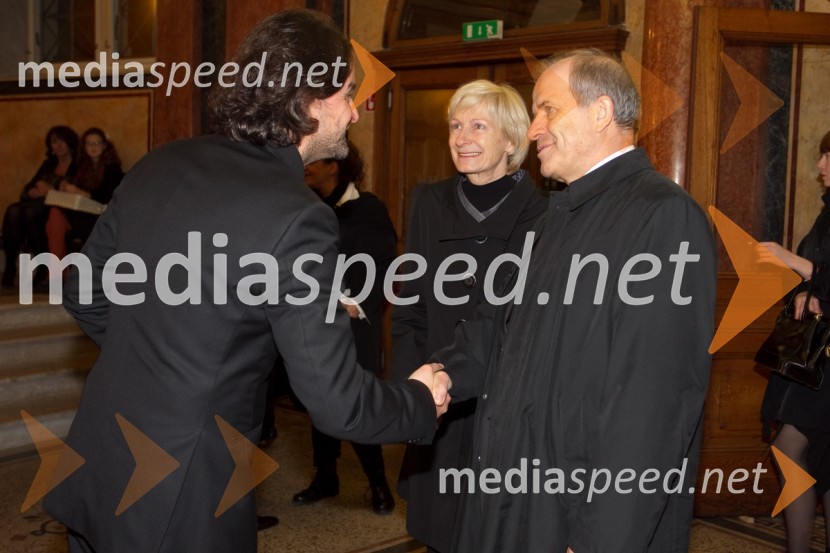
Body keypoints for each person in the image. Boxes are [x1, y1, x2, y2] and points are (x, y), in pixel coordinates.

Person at [42, 10, 449, 553]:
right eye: (349, 94)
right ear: (307, 100)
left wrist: (163, 364)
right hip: (183, 493)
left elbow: (83, 293)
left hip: (100, 460)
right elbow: (334, 401)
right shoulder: (299, 215)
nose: (355, 112)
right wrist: (420, 401)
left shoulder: (164, 161)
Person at [431, 49, 716, 552]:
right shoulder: (550, 220)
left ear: (601, 112)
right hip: (515, 503)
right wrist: (440, 377)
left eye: (548, 110)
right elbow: (496, 334)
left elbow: (651, 409)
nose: (533, 128)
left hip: (577, 521)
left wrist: (598, 542)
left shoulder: (664, 218)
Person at [390, 79, 546, 552]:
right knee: (440, 528)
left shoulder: (542, 213)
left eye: (479, 126)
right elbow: (411, 302)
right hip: (437, 395)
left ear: (512, 140)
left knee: (494, 531)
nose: (462, 138)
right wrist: (411, 389)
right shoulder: (429, 202)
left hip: (504, 403)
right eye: (456, 126)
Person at [292, 141, 399, 514]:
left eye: (313, 160)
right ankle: (326, 476)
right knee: (317, 397)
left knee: (357, 400)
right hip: (314, 321)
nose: (304, 165)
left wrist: (349, 300)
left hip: (355, 323)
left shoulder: (367, 209)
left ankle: (378, 483)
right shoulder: (305, 208)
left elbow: (380, 265)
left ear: (334, 167)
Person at [759, 130, 830, 553]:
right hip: (815, 357)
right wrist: (805, 289)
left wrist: (797, 264)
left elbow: (817, 268)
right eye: (822, 155)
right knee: (814, 457)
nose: (821, 166)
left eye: (829, 156)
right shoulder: (826, 214)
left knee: (794, 448)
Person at [2, 126, 78, 287]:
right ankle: (10, 266)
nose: (59, 146)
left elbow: (74, 190)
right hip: (39, 207)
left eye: (62, 141)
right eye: (54, 142)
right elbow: (30, 185)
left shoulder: (78, 164)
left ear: (70, 143)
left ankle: (43, 266)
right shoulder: (48, 164)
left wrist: (50, 188)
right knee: (13, 211)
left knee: (29, 213)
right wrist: (34, 190)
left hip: (62, 209)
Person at [46, 127, 124, 259]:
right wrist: (66, 187)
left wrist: (81, 193)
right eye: (89, 144)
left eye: (97, 143)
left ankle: (59, 271)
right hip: (82, 210)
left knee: (60, 220)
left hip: (100, 213)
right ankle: (57, 270)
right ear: (84, 147)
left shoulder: (113, 168)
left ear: (104, 146)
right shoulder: (82, 166)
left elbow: (108, 196)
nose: (93, 147)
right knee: (55, 215)